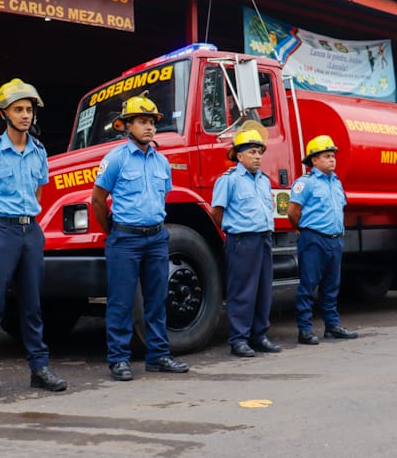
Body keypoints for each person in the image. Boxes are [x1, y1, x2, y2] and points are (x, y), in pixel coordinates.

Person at [0, 78, 67, 402]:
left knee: (33, 306)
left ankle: (39, 369)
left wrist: (25, 224)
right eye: (18, 109)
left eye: (29, 109)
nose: (26, 115)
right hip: (1, 230)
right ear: (3, 114)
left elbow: (38, 192)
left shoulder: (39, 151)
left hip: (31, 231)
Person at [92, 91, 189, 381]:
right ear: (127, 126)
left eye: (152, 122)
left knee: (157, 299)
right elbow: (98, 200)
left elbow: (163, 199)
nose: (149, 127)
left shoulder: (161, 162)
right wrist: (113, 233)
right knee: (120, 302)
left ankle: (158, 355)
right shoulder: (115, 159)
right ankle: (119, 359)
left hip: (157, 238)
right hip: (125, 239)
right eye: (142, 122)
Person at [211, 125, 281, 358]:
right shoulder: (229, 179)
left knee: (263, 289)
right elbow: (217, 211)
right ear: (239, 156)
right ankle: (239, 339)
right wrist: (233, 233)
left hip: (263, 239)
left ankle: (259, 336)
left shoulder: (263, 180)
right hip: (242, 240)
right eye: (252, 152)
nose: (258, 156)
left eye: (260, 152)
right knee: (242, 291)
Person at [287, 135, 358, 345]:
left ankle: (332, 326)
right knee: (308, 286)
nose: (332, 160)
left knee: (331, 286)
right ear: (314, 160)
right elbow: (292, 211)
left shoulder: (336, 182)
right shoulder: (305, 183)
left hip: (334, 241)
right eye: (326, 156)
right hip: (314, 240)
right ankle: (305, 330)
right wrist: (303, 229)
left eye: (333, 156)